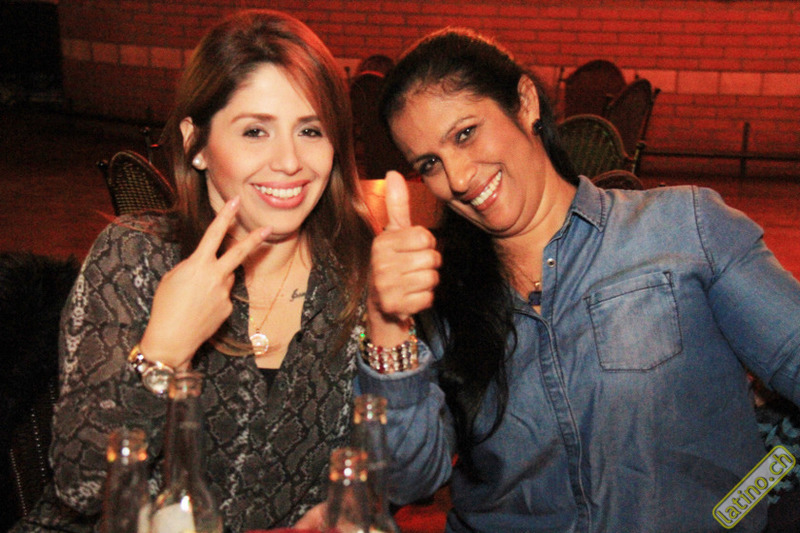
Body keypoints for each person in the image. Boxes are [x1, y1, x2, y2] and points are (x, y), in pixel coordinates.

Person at [358, 27, 800, 532]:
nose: (457, 178)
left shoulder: (683, 229)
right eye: (429, 163)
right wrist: (386, 322)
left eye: (465, 134)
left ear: (525, 103)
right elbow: (406, 481)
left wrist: (737, 509)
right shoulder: (437, 291)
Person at [13, 9, 374, 532]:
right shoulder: (136, 257)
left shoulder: (355, 276)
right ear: (195, 143)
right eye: (255, 131)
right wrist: (162, 352)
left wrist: (344, 504)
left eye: (311, 130)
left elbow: (403, 470)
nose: (290, 161)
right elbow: (81, 486)